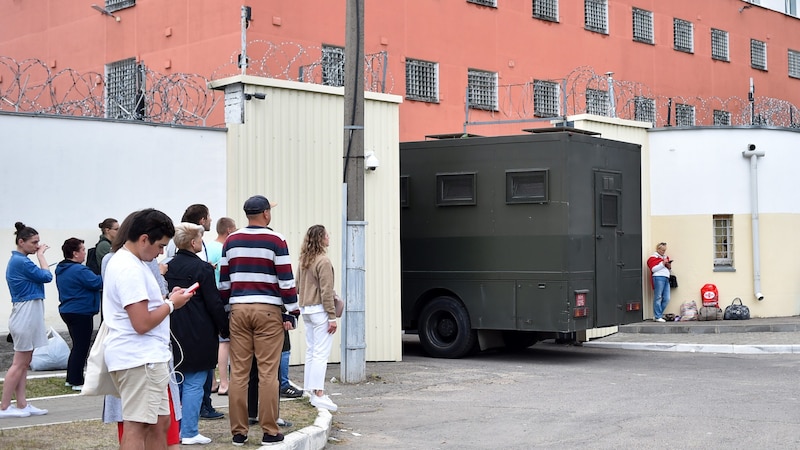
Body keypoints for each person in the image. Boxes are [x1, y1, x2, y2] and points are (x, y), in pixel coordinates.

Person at [102, 208, 194, 449]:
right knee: (137, 425)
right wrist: (172, 304)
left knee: (160, 421)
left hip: (145, 358)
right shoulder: (129, 268)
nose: (161, 253)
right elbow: (141, 322)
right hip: (139, 358)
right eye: (160, 246)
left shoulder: (131, 261)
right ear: (144, 239)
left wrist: (166, 301)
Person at [219, 195, 299, 446]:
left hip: (239, 309)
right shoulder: (276, 239)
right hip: (268, 310)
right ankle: (269, 430)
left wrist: (227, 309)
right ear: (266, 214)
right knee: (268, 373)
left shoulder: (231, 240)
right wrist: (292, 311)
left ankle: (239, 432)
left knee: (239, 373)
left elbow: (224, 281)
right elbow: (286, 279)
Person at [164, 223, 230, 445]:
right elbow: (214, 302)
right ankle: (189, 431)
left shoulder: (167, 267)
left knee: (178, 381)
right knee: (195, 381)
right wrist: (224, 327)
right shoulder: (203, 268)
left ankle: (177, 430)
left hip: (173, 327)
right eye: (200, 239)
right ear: (193, 243)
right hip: (200, 330)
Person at [1, 222, 53, 418]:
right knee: (19, 362)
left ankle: (22, 404)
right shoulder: (21, 261)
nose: (37, 246)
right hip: (25, 313)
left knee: (24, 362)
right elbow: (46, 276)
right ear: (21, 242)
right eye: (34, 242)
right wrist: (41, 257)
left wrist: (38, 256)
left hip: (29, 312)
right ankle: (4, 407)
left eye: (38, 242)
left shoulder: (21, 260)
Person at [297, 225, 339, 411]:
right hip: (321, 311)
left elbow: (297, 286)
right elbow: (326, 292)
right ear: (321, 239)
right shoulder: (323, 261)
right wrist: (332, 317)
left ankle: (310, 389)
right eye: (327, 235)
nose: (329, 237)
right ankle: (318, 393)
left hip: (306, 309)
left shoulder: (304, 260)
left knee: (311, 350)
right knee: (321, 353)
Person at [55, 237, 103, 391]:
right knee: (81, 347)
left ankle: (72, 378)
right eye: (82, 250)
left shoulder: (62, 269)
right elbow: (97, 282)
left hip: (69, 310)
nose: (84, 253)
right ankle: (76, 380)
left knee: (77, 346)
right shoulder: (79, 270)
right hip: (80, 311)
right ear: (75, 253)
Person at [206, 217, 237, 396]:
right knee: (225, 342)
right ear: (229, 231)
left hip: (209, 298)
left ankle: (213, 382)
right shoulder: (225, 248)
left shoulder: (208, 247)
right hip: (223, 298)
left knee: (212, 341)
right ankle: (225, 383)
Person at [647, 242, 673, 323]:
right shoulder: (653, 258)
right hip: (658, 277)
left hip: (666, 277)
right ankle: (658, 316)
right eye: (662, 250)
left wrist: (669, 266)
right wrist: (662, 263)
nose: (663, 252)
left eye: (665, 250)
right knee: (658, 297)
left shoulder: (665, 257)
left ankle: (658, 315)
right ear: (658, 249)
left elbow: (668, 269)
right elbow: (653, 269)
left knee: (667, 298)